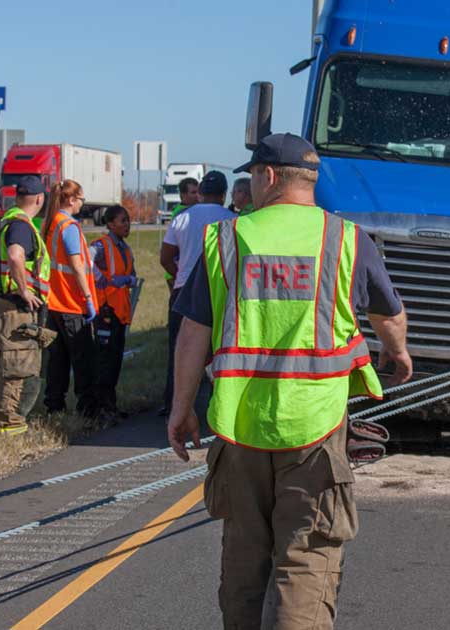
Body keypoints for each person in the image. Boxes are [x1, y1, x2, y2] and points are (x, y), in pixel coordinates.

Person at [168, 133, 412, 629]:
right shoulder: (345, 239)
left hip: (239, 427)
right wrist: (397, 353)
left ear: (269, 177)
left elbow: (194, 332)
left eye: (252, 175)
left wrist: (181, 407)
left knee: (244, 555)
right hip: (314, 428)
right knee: (305, 556)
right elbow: (389, 313)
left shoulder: (227, 239)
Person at [158, 170, 235, 415]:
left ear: (200, 193)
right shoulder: (233, 219)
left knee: (179, 351)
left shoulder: (182, 218)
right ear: (224, 195)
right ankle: (219, 408)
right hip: (220, 291)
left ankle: (173, 406)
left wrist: (179, 275)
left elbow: (165, 258)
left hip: (183, 291)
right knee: (221, 354)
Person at [0, 176, 55, 436]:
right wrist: (25, 290)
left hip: (5, 307)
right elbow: (16, 255)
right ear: (39, 199)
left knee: (4, 371)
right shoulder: (21, 225)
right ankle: (10, 427)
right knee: (19, 370)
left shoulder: (7, 221)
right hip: (16, 311)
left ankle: (2, 426)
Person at [42, 179, 101, 420]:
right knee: (83, 359)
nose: (81, 204)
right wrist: (87, 297)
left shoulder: (51, 223)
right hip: (71, 302)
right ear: (71, 199)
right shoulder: (69, 227)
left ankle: (54, 407)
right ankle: (87, 410)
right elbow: (77, 265)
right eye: (81, 200)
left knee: (58, 360)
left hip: (54, 301)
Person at [90, 205, 137, 415]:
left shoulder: (125, 249)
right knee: (103, 361)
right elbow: (84, 262)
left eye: (128, 220)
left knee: (115, 360)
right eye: (122, 221)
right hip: (105, 311)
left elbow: (132, 275)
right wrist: (103, 280)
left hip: (121, 312)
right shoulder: (101, 245)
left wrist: (129, 279)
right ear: (110, 224)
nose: (127, 225)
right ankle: (100, 406)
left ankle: (111, 405)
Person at [162, 177, 201, 290]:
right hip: (176, 271)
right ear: (183, 195)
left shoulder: (193, 209)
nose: (197, 195)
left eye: (198, 192)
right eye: (193, 192)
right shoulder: (182, 213)